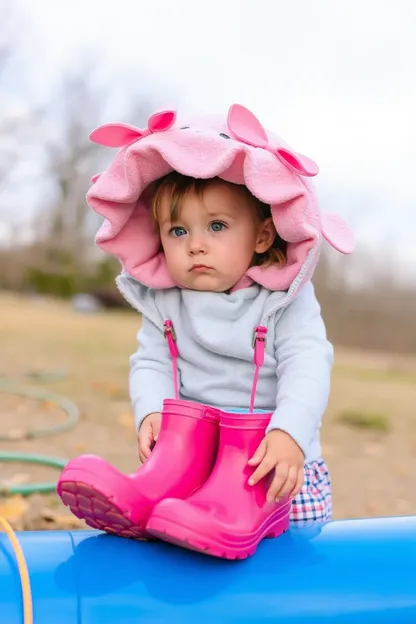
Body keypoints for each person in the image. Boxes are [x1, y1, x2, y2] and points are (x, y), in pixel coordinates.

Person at [57, 104, 354, 558]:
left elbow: (308, 365)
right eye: (177, 231)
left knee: (291, 557)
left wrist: (291, 432)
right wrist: (151, 411)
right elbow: (152, 361)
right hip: (191, 460)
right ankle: (144, 507)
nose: (196, 243)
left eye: (217, 226)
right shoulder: (166, 299)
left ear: (261, 236)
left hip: (268, 465)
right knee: (180, 525)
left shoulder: (283, 299)